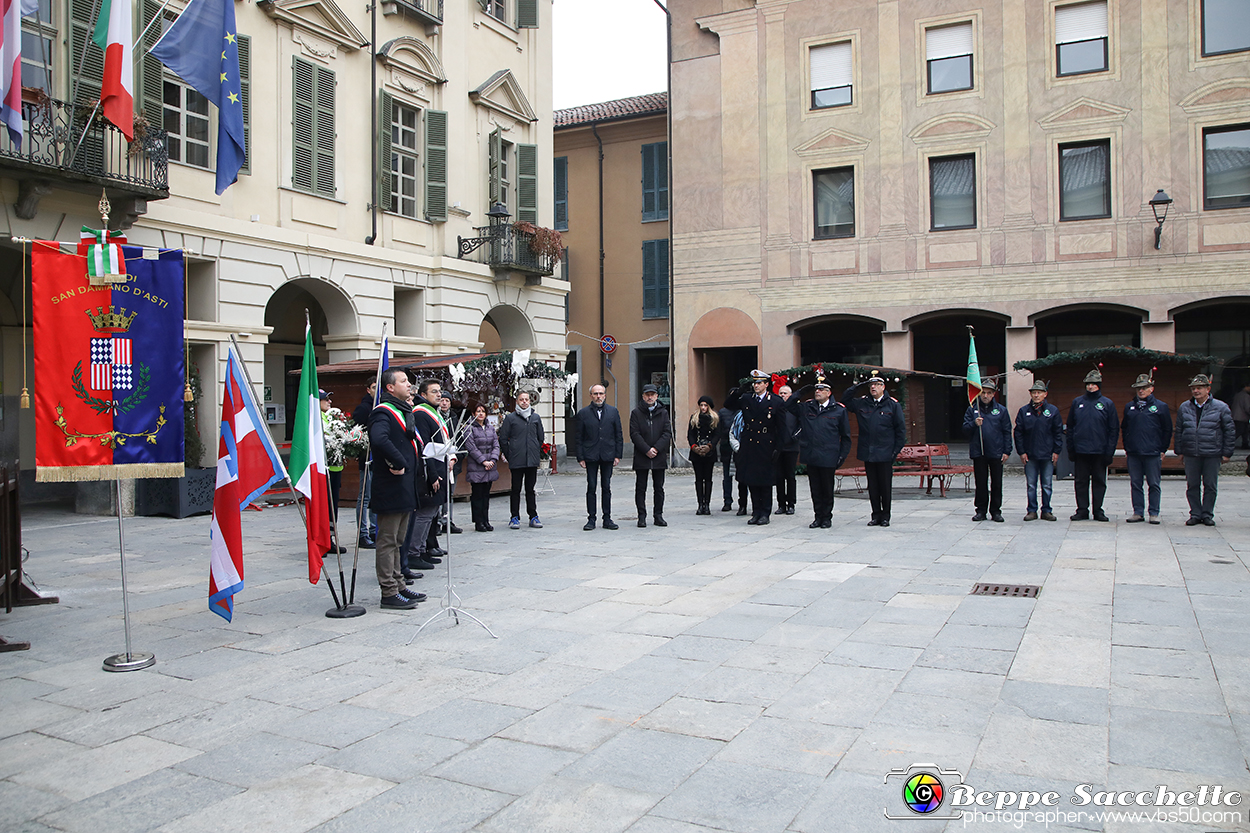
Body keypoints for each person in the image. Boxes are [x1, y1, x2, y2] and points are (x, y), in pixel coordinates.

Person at [367, 368, 427, 610]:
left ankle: (399, 585)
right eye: (403, 381)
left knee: (399, 539)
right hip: (391, 486)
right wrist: (398, 461)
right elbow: (379, 440)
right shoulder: (383, 412)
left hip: (405, 486)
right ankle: (388, 592)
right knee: (388, 540)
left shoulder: (404, 411)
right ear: (390, 387)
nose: (409, 384)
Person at [841, 372, 907, 527]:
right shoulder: (863, 403)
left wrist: (894, 452)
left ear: (883, 387)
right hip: (869, 452)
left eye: (877, 385)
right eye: (871, 385)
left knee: (885, 486)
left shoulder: (892, 405)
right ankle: (875, 514)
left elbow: (900, 431)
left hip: (885, 452)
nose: (873, 387)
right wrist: (859, 386)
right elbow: (845, 400)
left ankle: (886, 516)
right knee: (873, 486)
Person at [1175, 374, 1235, 526]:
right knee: (1192, 485)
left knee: (1210, 485)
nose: (1196, 391)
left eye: (1200, 388)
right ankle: (1195, 513)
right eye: (1194, 388)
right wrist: (1179, 451)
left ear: (1208, 389)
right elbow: (1179, 430)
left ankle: (1207, 514)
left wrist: (1227, 452)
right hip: (1191, 452)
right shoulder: (1185, 407)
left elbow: (1229, 430)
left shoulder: (1221, 407)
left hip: (1212, 452)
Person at [402, 378, 450, 568]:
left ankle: (422, 549)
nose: (439, 395)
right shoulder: (421, 414)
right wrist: (431, 473)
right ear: (423, 395)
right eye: (434, 392)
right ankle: (415, 552)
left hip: (439, 466)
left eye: (440, 391)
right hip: (429, 471)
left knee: (431, 513)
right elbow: (425, 447)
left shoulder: (433, 412)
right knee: (424, 513)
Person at [728, 370, 786, 524]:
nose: (756, 385)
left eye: (759, 383)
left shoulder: (775, 401)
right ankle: (756, 512)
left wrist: (778, 448)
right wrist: (739, 391)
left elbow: (782, 428)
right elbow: (728, 404)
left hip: (767, 443)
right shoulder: (747, 399)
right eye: (755, 383)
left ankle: (765, 513)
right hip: (750, 443)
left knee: (765, 481)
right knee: (752, 480)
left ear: (766, 384)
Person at [793, 379, 851, 528]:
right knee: (815, 489)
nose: (817, 391)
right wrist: (801, 391)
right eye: (816, 389)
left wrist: (841, 456)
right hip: (812, 454)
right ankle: (817, 517)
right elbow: (787, 406)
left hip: (828, 455)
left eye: (821, 389)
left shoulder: (838, 410)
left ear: (828, 392)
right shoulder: (808, 407)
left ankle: (826, 517)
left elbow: (845, 436)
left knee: (826, 488)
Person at [1066, 368, 1119, 522]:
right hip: (1081, 450)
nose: (1090, 387)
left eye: (1094, 384)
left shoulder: (1107, 404)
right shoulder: (1077, 402)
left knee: (1099, 482)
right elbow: (1070, 427)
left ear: (1099, 386)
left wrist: (1109, 452)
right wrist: (1071, 449)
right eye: (1088, 384)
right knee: (1080, 482)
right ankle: (1082, 510)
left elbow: (1113, 429)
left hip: (1100, 451)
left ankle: (1098, 510)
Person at [1121, 373, 1172, 524]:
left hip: (1152, 451)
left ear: (1151, 389)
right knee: (1136, 483)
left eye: (1144, 388)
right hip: (1134, 452)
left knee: (1154, 483)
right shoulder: (1130, 407)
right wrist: (1127, 447)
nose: (1141, 391)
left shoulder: (1161, 407)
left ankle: (1154, 512)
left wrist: (1163, 448)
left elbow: (1167, 429)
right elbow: (1124, 428)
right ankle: (1138, 511)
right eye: (1138, 388)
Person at [572, 383, 623, 530]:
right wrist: (580, 457)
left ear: (605, 395)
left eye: (601, 393)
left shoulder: (613, 412)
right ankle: (591, 519)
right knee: (591, 486)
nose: (598, 396)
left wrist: (617, 455)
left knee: (606, 487)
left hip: (608, 454)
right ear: (591, 396)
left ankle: (607, 518)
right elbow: (578, 437)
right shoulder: (583, 413)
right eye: (595, 394)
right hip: (590, 455)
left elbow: (618, 435)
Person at [962, 379, 1012, 523]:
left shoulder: (1001, 410)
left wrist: (1007, 451)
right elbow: (964, 430)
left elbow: (1007, 431)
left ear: (993, 394)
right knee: (981, 483)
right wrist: (974, 423)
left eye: (989, 393)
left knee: (996, 483)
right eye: (983, 392)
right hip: (979, 452)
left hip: (996, 452)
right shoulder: (972, 409)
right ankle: (981, 510)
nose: (985, 395)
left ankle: (996, 511)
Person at [1014, 380, 1063, 521]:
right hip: (1030, 455)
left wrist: (1056, 451)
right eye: (1034, 392)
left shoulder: (1052, 411)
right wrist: (1021, 452)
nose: (1036, 395)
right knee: (1031, 485)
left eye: (1039, 392)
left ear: (1045, 394)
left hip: (1047, 454)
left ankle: (1047, 510)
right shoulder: (1024, 411)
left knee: (1047, 484)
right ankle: (1032, 510)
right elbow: (1018, 433)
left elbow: (1057, 432)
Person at [499, 390, 545, 529]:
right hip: (516, 459)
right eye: (521, 400)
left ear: (530, 402)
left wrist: (535, 450)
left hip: (531, 460)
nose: (524, 402)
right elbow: (503, 438)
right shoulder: (511, 418)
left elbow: (540, 437)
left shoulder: (535, 417)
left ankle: (533, 516)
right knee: (516, 489)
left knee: (530, 489)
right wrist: (509, 454)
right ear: (517, 402)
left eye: (526, 399)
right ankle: (514, 517)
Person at [630, 383, 672, 527]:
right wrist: (647, 449)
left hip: (658, 456)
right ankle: (641, 516)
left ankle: (658, 515)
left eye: (652, 394)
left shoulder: (663, 412)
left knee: (659, 488)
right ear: (643, 396)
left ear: (656, 396)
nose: (650, 397)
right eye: (647, 394)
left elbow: (667, 433)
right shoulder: (636, 413)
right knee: (641, 487)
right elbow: (634, 434)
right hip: (642, 455)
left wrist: (657, 448)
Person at [464, 404, 500, 532]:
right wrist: (483, 461)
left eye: (483, 411)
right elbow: (471, 447)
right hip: (477, 466)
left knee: (486, 495)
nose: (480, 414)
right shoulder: (469, 428)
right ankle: (478, 521)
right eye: (478, 411)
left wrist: (492, 460)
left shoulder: (490, 428)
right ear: (473, 413)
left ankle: (486, 520)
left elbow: (496, 445)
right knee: (477, 495)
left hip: (490, 466)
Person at [319, 389, 346, 553]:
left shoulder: (332, 417)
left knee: (332, 506)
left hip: (336, 467)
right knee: (323, 506)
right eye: (325, 400)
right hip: (323, 469)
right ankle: (321, 541)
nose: (329, 402)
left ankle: (330, 539)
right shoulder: (316, 419)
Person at [352, 381, 378, 548]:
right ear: (368, 389)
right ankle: (363, 533)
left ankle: (375, 530)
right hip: (367, 458)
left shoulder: (382, 406)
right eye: (374, 387)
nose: (377, 391)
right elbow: (358, 432)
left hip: (379, 460)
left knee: (376, 497)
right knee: (365, 497)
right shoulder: (364, 408)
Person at [688, 396, 720, 515]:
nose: (703, 408)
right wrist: (694, 447)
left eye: (705, 405)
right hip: (697, 451)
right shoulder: (694, 418)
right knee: (698, 479)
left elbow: (717, 435)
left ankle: (707, 504)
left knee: (708, 479)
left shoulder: (714, 418)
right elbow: (690, 434)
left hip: (709, 451)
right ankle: (700, 503)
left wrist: (710, 446)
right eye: (701, 405)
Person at [772, 385, 800, 515]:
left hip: (791, 447)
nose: (783, 395)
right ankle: (781, 504)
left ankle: (791, 504)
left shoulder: (795, 409)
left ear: (790, 395)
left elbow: (801, 425)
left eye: (785, 393)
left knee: (790, 476)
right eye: (781, 393)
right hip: (778, 447)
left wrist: (795, 437)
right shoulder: (776, 409)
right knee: (779, 477)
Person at [717, 402, 736, 511]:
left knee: (742, 478)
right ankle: (727, 500)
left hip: (738, 447)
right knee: (727, 476)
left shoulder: (742, 410)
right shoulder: (723, 412)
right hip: (726, 447)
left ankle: (742, 502)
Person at [1232, 382, 1250, 450]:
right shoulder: (1246, 396)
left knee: (1244, 431)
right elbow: (1248, 407)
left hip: (1236, 416)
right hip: (1241, 417)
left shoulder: (1237, 395)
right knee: (1240, 431)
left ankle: (1245, 444)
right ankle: (1229, 443)